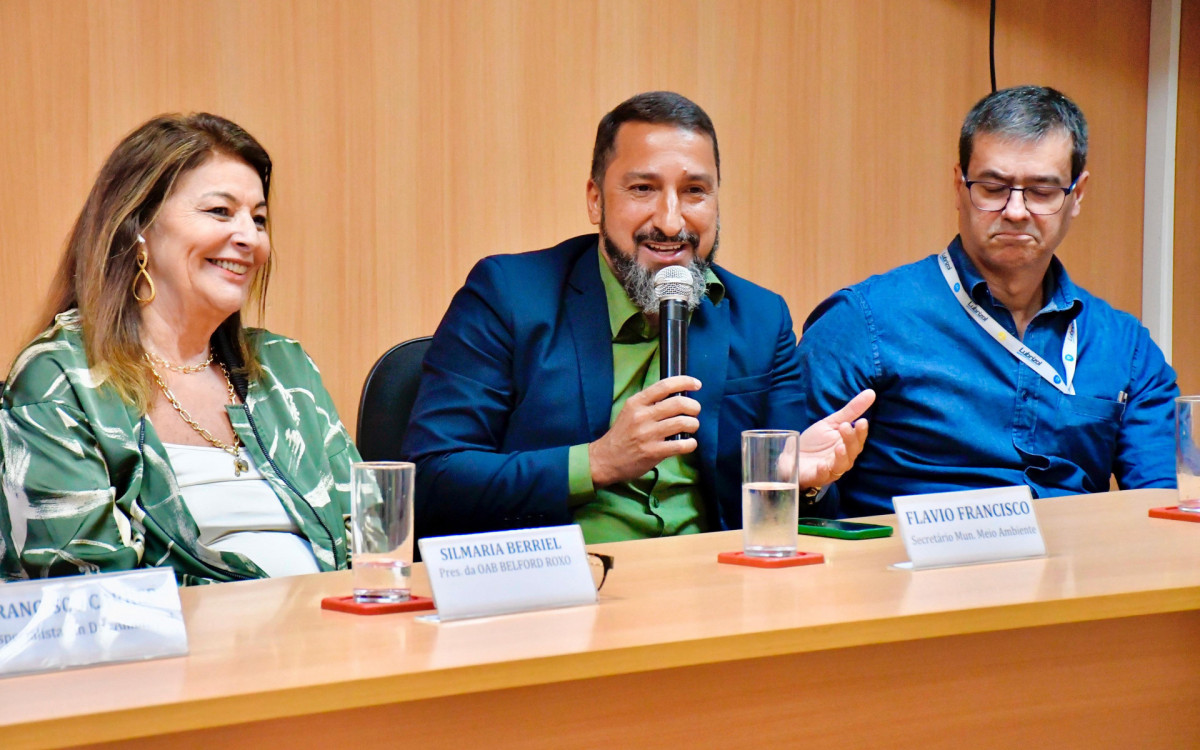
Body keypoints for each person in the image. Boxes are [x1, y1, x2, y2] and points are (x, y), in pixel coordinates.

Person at [403, 91, 874, 543]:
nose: (671, 222)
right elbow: (433, 478)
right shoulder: (508, 295)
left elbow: (783, 520)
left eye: (694, 191)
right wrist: (598, 462)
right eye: (643, 189)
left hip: (710, 588)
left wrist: (800, 485)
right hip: (560, 592)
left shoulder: (761, 317)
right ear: (596, 199)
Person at [1, 113, 360, 584]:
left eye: (259, 219)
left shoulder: (284, 369)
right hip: (172, 655)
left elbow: (365, 534)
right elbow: (88, 587)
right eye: (220, 212)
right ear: (138, 227)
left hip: (329, 641)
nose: (249, 238)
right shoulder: (62, 378)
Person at [797, 85, 1178, 517]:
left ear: (1077, 194)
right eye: (993, 187)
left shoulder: (1125, 348)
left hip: (1074, 575)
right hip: (916, 573)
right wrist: (809, 489)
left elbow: (1163, 509)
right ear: (959, 185)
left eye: (1041, 191)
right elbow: (788, 485)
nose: (1016, 211)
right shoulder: (862, 322)